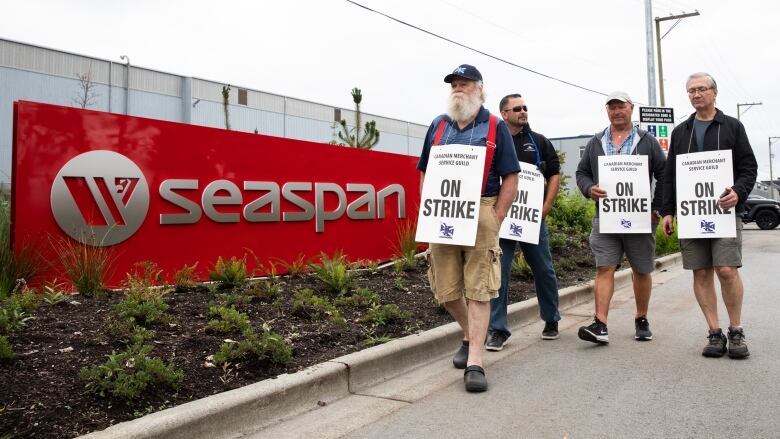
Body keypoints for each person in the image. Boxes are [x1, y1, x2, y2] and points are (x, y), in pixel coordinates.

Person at [418, 64, 519, 392]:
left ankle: (475, 359)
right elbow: (424, 171)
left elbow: (511, 177)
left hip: (482, 211)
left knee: (478, 288)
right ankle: (468, 333)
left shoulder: (494, 126)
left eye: (465, 84)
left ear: (480, 88)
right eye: (454, 85)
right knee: (446, 290)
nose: (458, 89)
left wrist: (496, 216)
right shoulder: (438, 125)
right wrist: (429, 208)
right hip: (443, 214)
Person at [660, 72, 757, 359]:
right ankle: (714, 333)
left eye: (702, 89)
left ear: (714, 93)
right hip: (692, 214)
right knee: (701, 271)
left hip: (725, 212)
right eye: (691, 90)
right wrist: (667, 210)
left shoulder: (732, 127)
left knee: (726, 269)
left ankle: (736, 330)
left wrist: (738, 192)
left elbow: (749, 167)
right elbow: (669, 175)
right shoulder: (681, 132)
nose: (696, 94)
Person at [575, 91, 666, 344]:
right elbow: (581, 172)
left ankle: (641, 318)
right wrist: (588, 188)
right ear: (607, 111)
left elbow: (664, 174)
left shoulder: (646, 141)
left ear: (631, 109)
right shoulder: (596, 142)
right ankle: (600, 323)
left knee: (641, 269)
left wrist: (656, 209)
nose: (616, 111)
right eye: (611, 107)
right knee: (604, 267)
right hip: (605, 218)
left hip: (640, 218)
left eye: (621, 107)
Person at [486, 94, 562, 351]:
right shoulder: (493, 142)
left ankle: (551, 319)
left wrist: (545, 207)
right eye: (517, 108)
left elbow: (553, 175)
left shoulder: (538, 142)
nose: (523, 111)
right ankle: (497, 330)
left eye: (525, 107)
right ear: (504, 114)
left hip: (532, 219)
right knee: (499, 272)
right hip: (502, 218)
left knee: (544, 269)